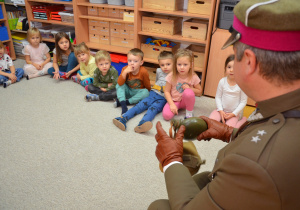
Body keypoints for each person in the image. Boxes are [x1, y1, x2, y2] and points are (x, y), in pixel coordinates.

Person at [149, 0, 300, 209]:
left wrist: (171, 160)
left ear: (249, 61)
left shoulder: (255, 162)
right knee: (203, 179)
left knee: (159, 206)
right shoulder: (283, 106)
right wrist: (229, 133)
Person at [113, 51, 173, 133]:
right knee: (139, 106)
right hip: (153, 92)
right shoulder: (159, 71)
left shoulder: (176, 75)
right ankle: (123, 118)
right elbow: (156, 82)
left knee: (153, 110)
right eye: (162, 65)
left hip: (163, 98)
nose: (165, 67)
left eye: (168, 64)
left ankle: (142, 124)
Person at [209, 54, 247, 128]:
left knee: (230, 129)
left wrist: (234, 114)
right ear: (225, 68)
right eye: (229, 67)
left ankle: (243, 120)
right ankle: (221, 118)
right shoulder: (222, 82)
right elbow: (218, 97)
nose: (231, 70)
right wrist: (220, 110)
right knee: (210, 122)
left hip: (233, 113)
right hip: (220, 111)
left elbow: (243, 101)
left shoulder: (241, 84)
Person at [162, 48, 202, 120]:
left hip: (186, 102)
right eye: (179, 64)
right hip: (174, 100)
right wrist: (171, 104)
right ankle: (176, 106)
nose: (182, 67)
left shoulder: (193, 76)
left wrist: (190, 88)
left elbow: (199, 92)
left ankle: (189, 113)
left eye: (185, 64)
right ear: (175, 64)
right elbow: (166, 91)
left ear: (191, 65)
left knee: (188, 92)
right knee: (166, 116)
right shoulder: (171, 75)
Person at [114, 48, 151, 115]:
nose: (132, 63)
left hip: (137, 92)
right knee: (118, 85)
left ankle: (127, 102)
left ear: (141, 62)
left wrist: (147, 92)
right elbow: (120, 83)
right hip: (127, 91)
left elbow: (147, 85)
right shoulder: (125, 69)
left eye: (135, 61)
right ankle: (123, 106)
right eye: (130, 61)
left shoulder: (143, 71)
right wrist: (125, 72)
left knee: (146, 92)